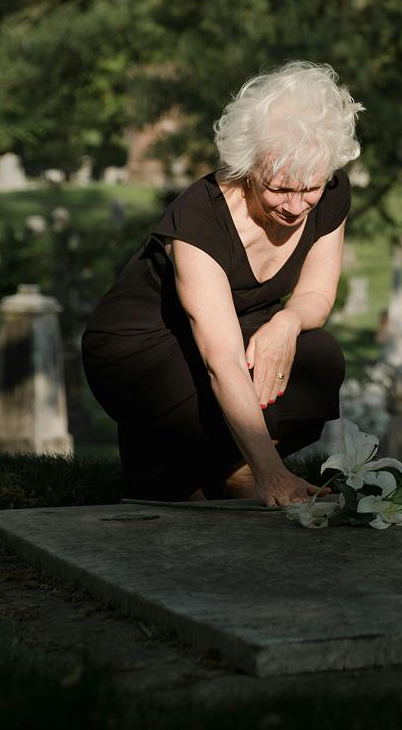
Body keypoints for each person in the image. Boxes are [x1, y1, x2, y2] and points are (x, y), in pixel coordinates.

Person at [82, 62, 362, 507]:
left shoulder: (328, 194)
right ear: (248, 166)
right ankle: (233, 471)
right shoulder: (198, 222)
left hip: (238, 330)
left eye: (309, 187)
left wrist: (286, 323)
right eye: (279, 188)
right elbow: (222, 359)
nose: (295, 206)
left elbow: (316, 295)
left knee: (319, 357)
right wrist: (272, 476)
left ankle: (214, 469)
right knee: (202, 442)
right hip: (140, 348)